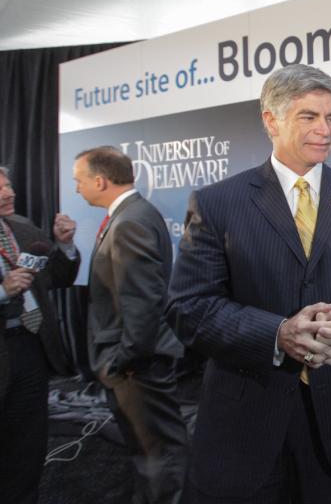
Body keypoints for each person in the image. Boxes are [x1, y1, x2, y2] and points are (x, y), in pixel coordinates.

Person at [165, 64, 331, 504]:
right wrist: (276, 334)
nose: (325, 130)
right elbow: (189, 307)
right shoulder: (219, 203)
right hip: (246, 422)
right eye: (308, 117)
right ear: (270, 120)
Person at [72, 146, 188, 504]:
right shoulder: (134, 213)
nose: (76, 189)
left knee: (156, 451)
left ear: (100, 180)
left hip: (138, 363)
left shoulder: (130, 220)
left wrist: (127, 359)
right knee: (151, 448)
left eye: (79, 181)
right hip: (138, 358)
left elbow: (141, 300)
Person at [0, 160, 80, 504]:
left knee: (25, 451)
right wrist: (1, 291)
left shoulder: (22, 228)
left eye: (8, 186)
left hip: (30, 351)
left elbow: (56, 279)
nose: (9, 194)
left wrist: (64, 246)